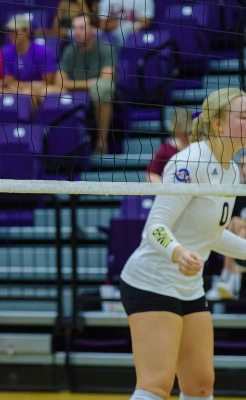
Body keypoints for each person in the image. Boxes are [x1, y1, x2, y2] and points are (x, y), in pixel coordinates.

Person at [119, 87, 246, 400]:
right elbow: (155, 227)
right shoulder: (188, 164)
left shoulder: (231, 171)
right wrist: (178, 252)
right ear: (218, 125)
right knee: (155, 385)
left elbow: (211, 234)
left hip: (189, 286)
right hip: (152, 281)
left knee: (200, 385)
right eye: (244, 116)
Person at [55, 14, 117, 154]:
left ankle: (102, 143)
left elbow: (106, 79)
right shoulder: (69, 51)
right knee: (47, 91)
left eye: (82, 28)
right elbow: (59, 82)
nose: (77, 32)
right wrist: (89, 83)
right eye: (74, 28)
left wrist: (71, 84)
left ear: (92, 29)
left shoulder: (106, 48)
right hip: (79, 91)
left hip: (100, 92)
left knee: (102, 88)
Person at [206, 152, 246, 301]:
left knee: (239, 226)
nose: (244, 170)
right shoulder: (237, 189)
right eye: (242, 165)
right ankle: (232, 279)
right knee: (238, 227)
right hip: (241, 234)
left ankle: (227, 278)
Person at [1, 14, 58, 109]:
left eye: (15, 32)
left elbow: (48, 81)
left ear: (26, 31)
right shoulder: (6, 52)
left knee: (42, 92)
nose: (11, 35)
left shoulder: (42, 51)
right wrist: (26, 87)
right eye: (10, 32)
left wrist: (25, 87)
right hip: (18, 89)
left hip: (39, 89)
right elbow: (8, 81)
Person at [146, 107, 192, 183]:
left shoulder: (198, 149)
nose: (182, 136)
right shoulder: (166, 149)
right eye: (178, 133)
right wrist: (165, 188)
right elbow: (151, 175)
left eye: (185, 133)